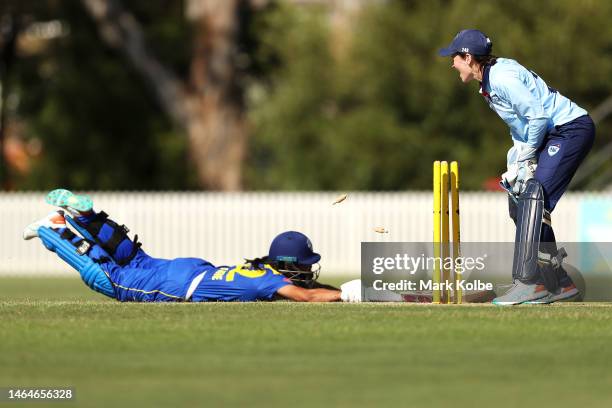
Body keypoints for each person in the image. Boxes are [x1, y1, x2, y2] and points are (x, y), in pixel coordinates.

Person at [438, 29, 595, 305]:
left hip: (569, 130)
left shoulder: (501, 77)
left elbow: (537, 116)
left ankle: (530, 284)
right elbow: (521, 126)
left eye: (455, 58)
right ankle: (559, 284)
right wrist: (517, 161)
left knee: (534, 199)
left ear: (468, 57)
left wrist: (527, 157)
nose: (452, 64)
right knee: (520, 201)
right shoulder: (488, 81)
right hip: (551, 134)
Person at [23, 189, 363, 303]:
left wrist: (339, 290)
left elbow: (308, 288)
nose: (307, 271)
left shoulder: (267, 270)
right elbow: (305, 295)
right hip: (178, 283)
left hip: (188, 269)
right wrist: (349, 294)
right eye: (303, 266)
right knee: (110, 279)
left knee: (133, 257)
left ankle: (88, 218)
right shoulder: (270, 281)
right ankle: (52, 230)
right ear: (288, 265)